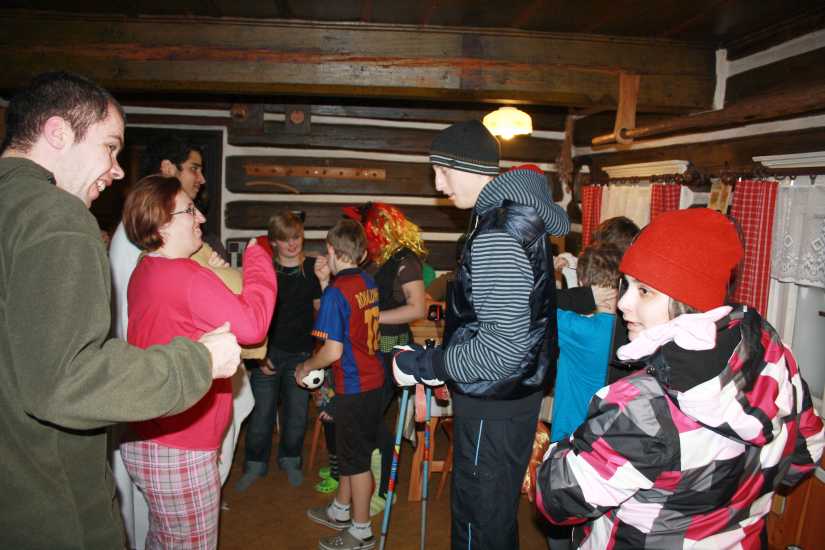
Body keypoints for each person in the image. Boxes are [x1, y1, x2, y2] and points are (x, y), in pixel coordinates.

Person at [0, 71, 240, 549]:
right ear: (57, 132)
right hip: (50, 504)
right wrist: (199, 360)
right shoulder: (56, 215)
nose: (116, 171)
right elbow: (65, 381)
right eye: (109, 148)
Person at [535, 208, 825, 549]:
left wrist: (561, 448)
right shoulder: (773, 357)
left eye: (644, 291)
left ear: (688, 299)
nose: (623, 303)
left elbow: (557, 498)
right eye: (626, 285)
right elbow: (805, 455)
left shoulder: (641, 405)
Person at [394, 120, 570, 549]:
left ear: (469, 167)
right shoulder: (519, 217)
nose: (438, 185)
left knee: (478, 523)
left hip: (494, 398)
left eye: (442, 172)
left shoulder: (497, 232)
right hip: (516, 393)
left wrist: (426, 364)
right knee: (495, 516)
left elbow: (501, 348)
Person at [108, 134, 251, 548]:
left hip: (153, 422)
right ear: (162, 222)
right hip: (176, 437)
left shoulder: (149, 262)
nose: (200, 214)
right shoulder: (177, 270)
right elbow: (251, 325)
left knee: (162, 537)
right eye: (190, 210)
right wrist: (257, 263)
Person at [296, 219, 384, 550]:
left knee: (356, 462)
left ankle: (361, 531)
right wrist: (325, 282)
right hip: (373, 379)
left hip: (354, 384)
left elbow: (332, 350)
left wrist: (306, 366)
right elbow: (346, 319)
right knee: (351, 454)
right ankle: (340, 510)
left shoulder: (337, 292)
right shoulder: (367, 280)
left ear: (331, 250)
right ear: (361, 254)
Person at [344, 202, 428, 514]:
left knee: (375, 422)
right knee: (363, 420)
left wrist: (374, 317)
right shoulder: (371, 259)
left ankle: (381, 490)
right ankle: (361, 484)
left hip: (389, 352)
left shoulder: (404, 260)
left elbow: (417, 308)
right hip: (366, 350)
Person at [236, 210, 322, 491]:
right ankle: (254, 464)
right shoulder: (265, 271)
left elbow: (323, 315)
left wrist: (325, 282)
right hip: (267, 356)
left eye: (296, 237)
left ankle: (291, 459)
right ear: (273, 241)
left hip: (302, 356)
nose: (292, 244)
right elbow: (252, 315)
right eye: (285, 239)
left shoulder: (313, 269)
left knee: (297, 415)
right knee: (261, 416)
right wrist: (259, 356)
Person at [545, 241, 621, 550]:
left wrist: (551, 273)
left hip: (569, 441)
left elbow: (537, 306)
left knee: (559, 524)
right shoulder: (630, 332)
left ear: (585, 283)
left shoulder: (576, 328)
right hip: (612, 445)